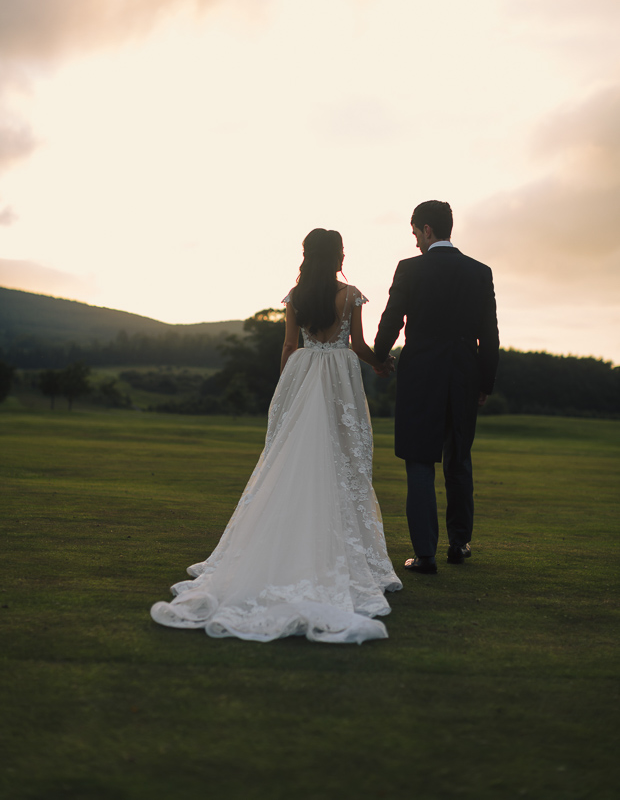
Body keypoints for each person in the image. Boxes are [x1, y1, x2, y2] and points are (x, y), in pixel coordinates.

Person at [151, 228, 402, 643]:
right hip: (339, 376)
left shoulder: (296, 295)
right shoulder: (351, 294)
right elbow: (356, 343)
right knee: (344, 461)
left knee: (293, 460)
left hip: (302, 373)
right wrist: (381, 362)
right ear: (338, 254)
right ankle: (343, 555)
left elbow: (288, 345)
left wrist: (285, 389)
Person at [374, 201, 499, 574]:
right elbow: (489, 335)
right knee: (459, 459)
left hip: (420, 376)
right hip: (464, 374)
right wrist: (485, 382)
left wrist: (380, 357)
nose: (414, 242)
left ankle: (425, 554)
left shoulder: (410, 269)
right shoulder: (479, 271)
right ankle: (459, 545)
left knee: (419, 461)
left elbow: (392, 319)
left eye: (415, 233)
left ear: (427, 230)